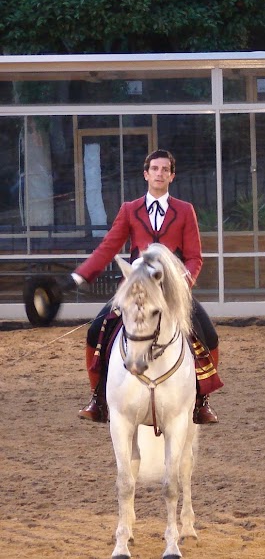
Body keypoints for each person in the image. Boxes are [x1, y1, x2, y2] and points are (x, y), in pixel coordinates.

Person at [72, 149, 222, 425]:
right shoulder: (130, 209)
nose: (160, 173)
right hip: (135, 287)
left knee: (207, 334)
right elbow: (109, 247)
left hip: (171, 289)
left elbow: (194, 257)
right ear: (146, 174)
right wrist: (81, 275)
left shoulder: (185, 210)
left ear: (172, 176)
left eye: (165, 169)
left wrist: (184, 284)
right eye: (155, 168)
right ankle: (97, 397)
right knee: (96, 331)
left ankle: (201, 400)